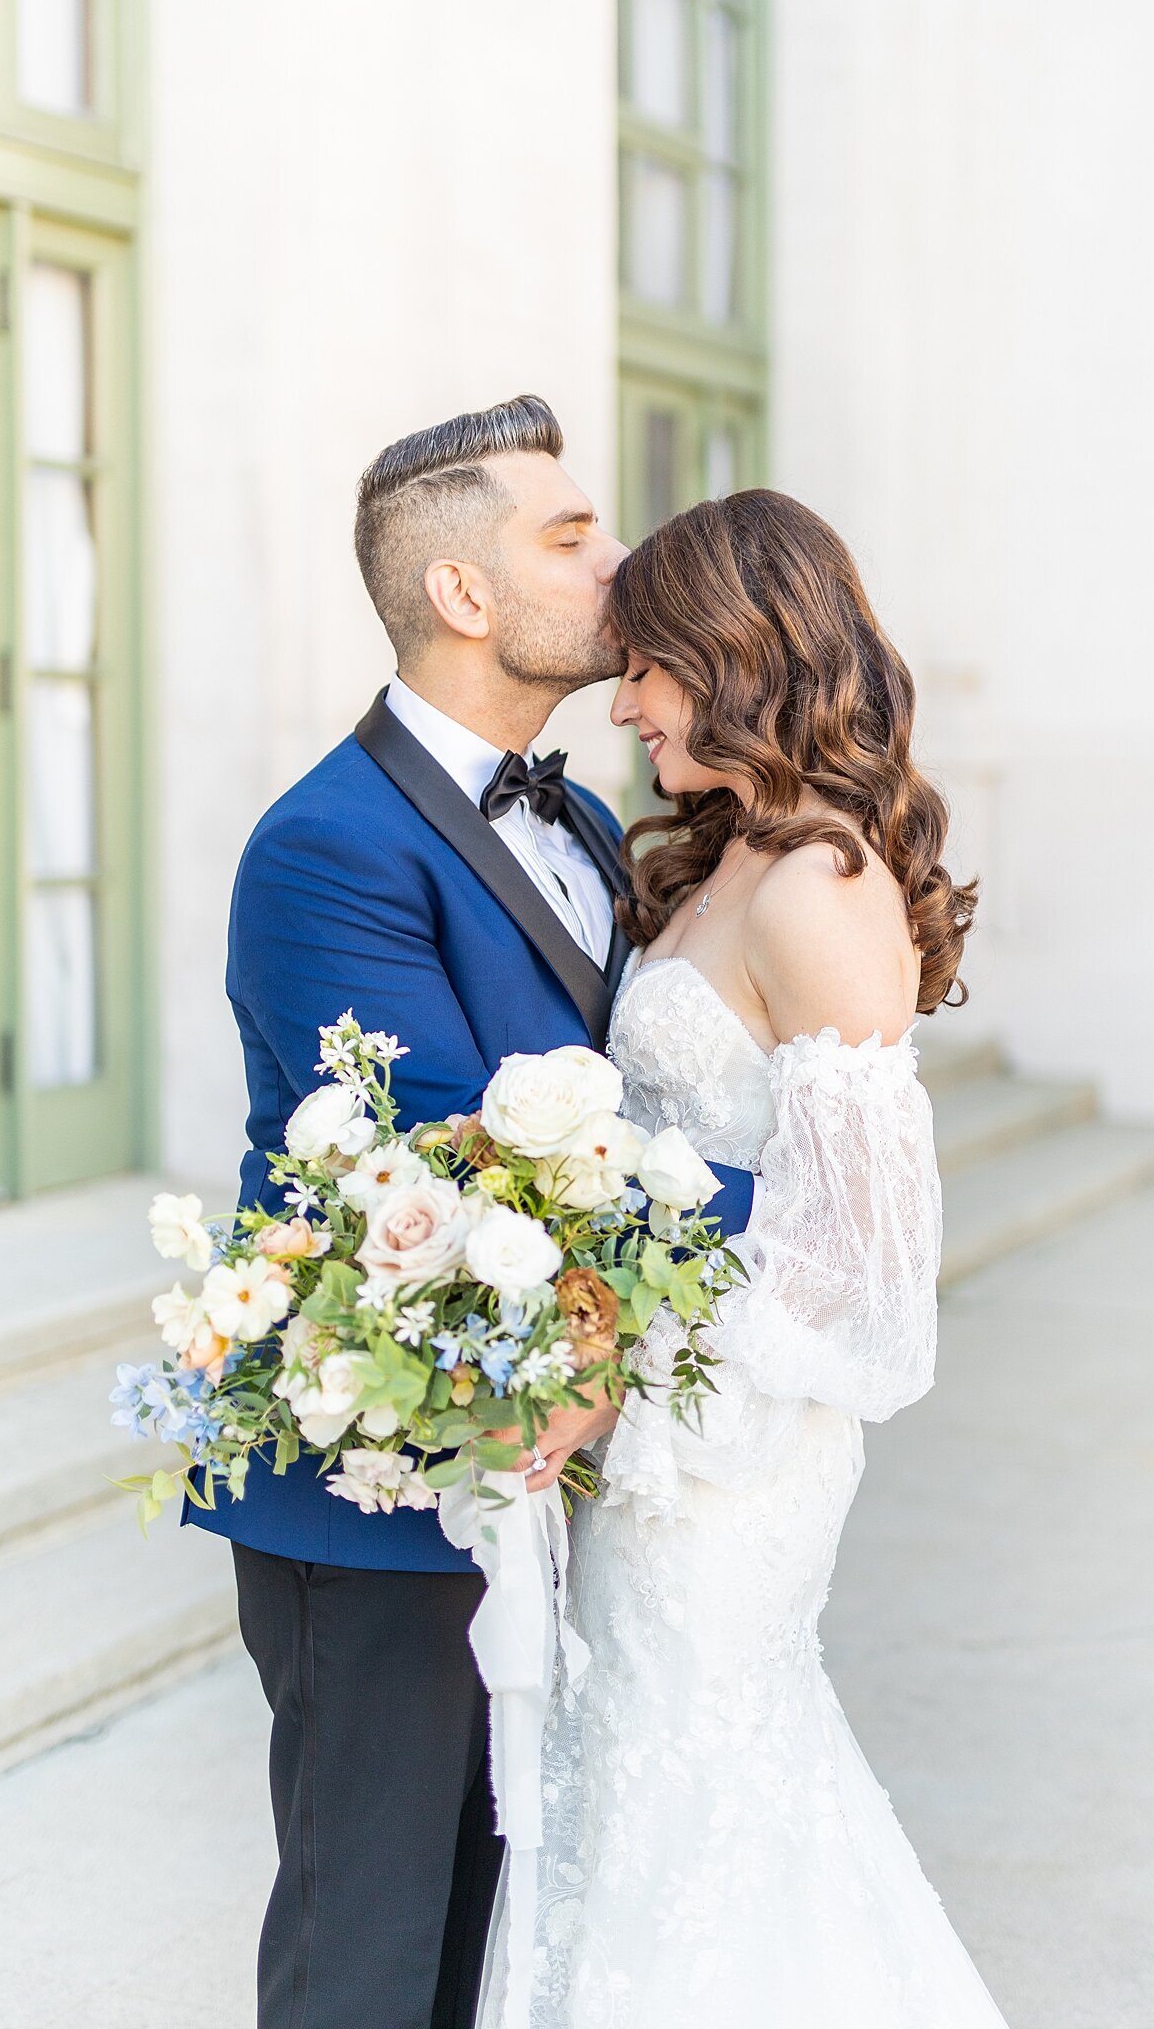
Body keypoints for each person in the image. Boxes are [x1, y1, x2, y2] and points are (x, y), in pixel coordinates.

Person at [196, 396, 759, 2029]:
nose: (621, 559)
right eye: (571, 537)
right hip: (380, 1492)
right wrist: (796, 1208)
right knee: (372, 1947)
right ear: (461, 595)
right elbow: (446, 1170)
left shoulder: (580, 813)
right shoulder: (323, 848)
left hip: (546, 1448)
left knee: (503, 1932)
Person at [480, 488, 1007, 2028]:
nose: (623, 694)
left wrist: (626, 1338)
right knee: (629, 1774)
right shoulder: (726, 857)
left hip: (732, 1451)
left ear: (736, 656)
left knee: (702, 1775)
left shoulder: (823, 886)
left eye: (646, 663)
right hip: (654, 1428)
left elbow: (866, 1280)